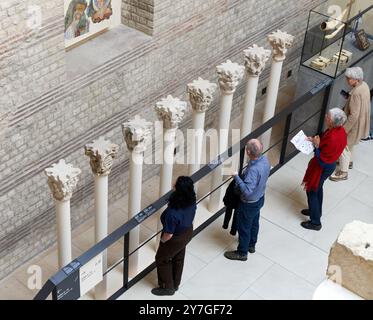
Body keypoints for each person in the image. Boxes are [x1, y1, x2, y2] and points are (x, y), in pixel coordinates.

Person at [224, 139, 270, 261]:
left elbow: (247, 191)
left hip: (249, 203)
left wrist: (236, 177)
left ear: (248, 152)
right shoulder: (264, 160)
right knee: (254, 223)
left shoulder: (253, 170)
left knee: (244, 228)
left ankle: (242, 252)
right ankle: (251, 245)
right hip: (259, 198)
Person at [301, 108, 347, 230]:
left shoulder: (333, 138)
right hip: (327, 165)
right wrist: (315, 140)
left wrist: (316, 146)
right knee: (318, 188)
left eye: (328, 117)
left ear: (332, 122)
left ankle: (315, 222)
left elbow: (321, 159)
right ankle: (314, 211)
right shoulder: (340, 130)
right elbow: (324, 139)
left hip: (323, 167)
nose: (326, 116)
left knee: (312, 190)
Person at [151, 176, 196, 296]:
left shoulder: (173, 213)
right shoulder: (191, 199)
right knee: (178, 257)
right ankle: (176, 284)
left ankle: (167, 287)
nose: (173, 182)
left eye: (176, 182)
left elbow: (168, 234)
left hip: (175, 237)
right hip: (187, 232)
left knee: (162, 258)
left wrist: (162, 241)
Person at [330, 67, 371, 181]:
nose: (347, 80)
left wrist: (344, 129)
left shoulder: (356, 93)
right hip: (362, 122)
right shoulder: (364, 85)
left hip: (354, 125)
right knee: (350, 144)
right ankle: (349, 162)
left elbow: (354, 115)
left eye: (349, 78)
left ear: (356, 79)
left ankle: (343, 172)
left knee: (343, 146)